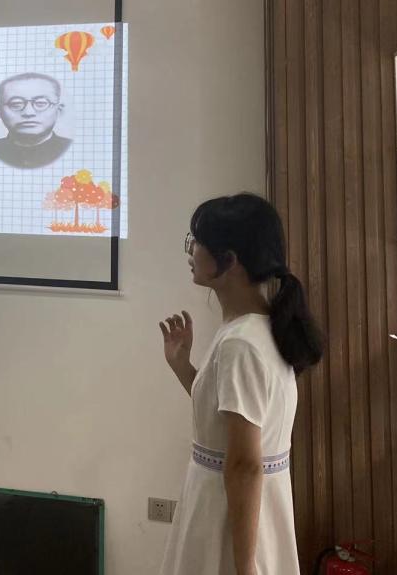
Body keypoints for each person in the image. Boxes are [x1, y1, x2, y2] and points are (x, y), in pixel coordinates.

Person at [159, 194, 323, 575]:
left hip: (227, 516)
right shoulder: (259, 329)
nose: (191, 250)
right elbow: (226, 420)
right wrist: (183, 367)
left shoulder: (240, 343)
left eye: (197, 241)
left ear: (229, 260)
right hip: (247, 508)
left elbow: (245, 464)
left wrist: (245, 564)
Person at [0, 73, 71, 169]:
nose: (28, 113)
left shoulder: (69, 150)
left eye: (41, 103)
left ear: (59, 111)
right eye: (16, 104)